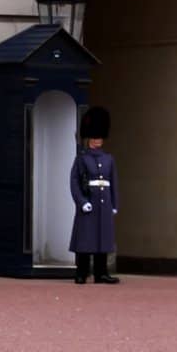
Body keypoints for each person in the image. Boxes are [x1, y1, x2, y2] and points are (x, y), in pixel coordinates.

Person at [69, 106, 119, 285]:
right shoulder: (82, 159)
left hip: (104, 204)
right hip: (89, 202)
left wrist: (114, 204)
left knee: (102, 239)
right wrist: (82, 202)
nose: (98, 140)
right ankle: (81, 272)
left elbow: (113, 182)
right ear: (89, 138)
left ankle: (101, 273)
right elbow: (74, 182)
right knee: (85, 239)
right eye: (95, 137)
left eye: (100, 137)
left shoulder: (108, 159)